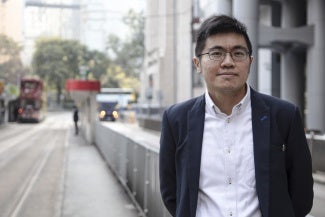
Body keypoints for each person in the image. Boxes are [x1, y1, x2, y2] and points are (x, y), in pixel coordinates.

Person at [159, 15, 313, 217]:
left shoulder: (284, 116)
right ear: (197, 64)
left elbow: (301, 195)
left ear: (250, 61)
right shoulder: (176, 119)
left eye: (238, 53)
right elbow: (171, 193)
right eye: (216, 53)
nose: (228, 62)